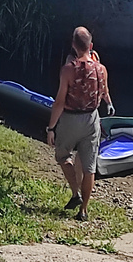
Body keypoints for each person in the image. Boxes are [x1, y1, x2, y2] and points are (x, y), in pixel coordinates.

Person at [46, 26, 113, 221]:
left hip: (70, 118)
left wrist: (51, 127)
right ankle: (83, 210)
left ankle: (75, 193)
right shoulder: (102, 69)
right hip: (93, 120)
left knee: (62, 155)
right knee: (89, 167)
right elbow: (105, 92)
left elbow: (59, 101)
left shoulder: (68, 69)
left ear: (73, 46)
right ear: (91, 46)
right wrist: (109, 105)